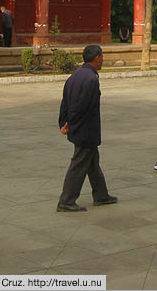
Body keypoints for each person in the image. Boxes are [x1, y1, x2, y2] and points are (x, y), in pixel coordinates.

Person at [57, 45, 117, 212]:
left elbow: (65, 102)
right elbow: (81, 107)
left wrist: (63, 121)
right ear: (97, 58)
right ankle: (66, 201)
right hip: (85, 130)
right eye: (102, 56)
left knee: (92, 163)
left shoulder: (75, 76)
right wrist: (72, 124)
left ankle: (101, 195)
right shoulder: (90, 79)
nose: (103, 59)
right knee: (79, 164)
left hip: (79, 127)